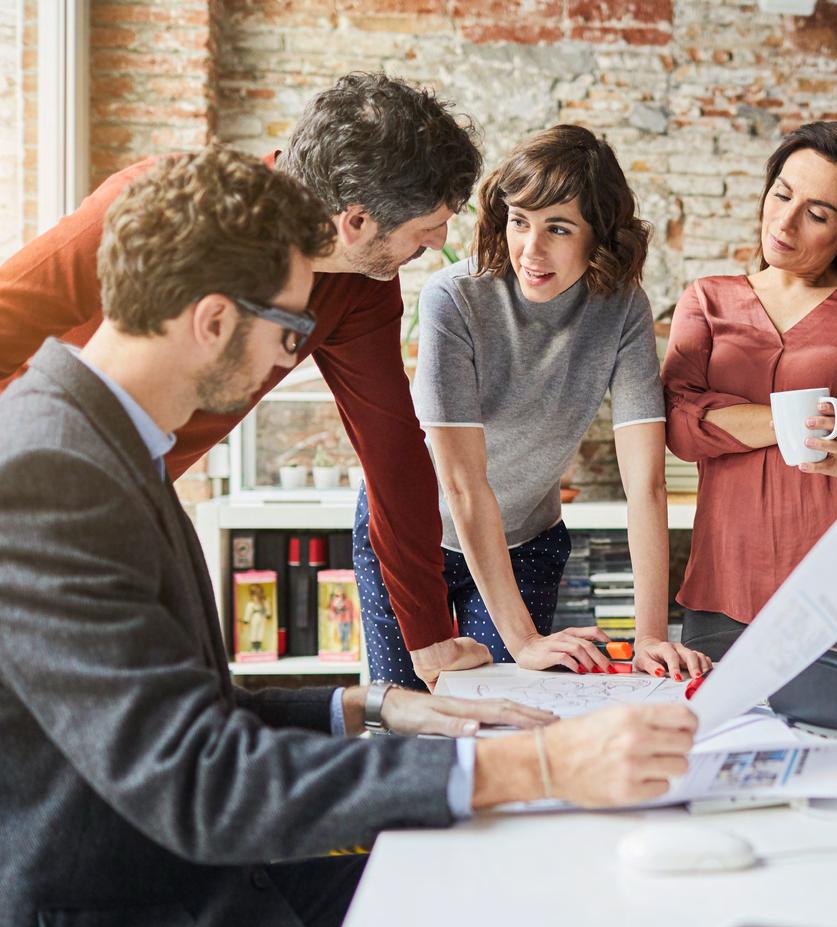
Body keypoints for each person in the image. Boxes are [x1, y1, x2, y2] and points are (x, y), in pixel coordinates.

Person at [0, 146, 698, 927]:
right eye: (292, 328)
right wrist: (536, 765)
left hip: (190, 875)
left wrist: (375, 703)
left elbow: (180, 706)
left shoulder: (108, 442)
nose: (291, 356)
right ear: (216, 320)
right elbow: (198, 777)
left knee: (495, 891)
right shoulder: (47, 473)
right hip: (128, 923)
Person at [0, 71, 492, 688]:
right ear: (357, 221)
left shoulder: (359, 286)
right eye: (429, 225)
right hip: (32, 478)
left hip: (138, 487)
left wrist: (430, 638)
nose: (439, 241)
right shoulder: (162, 207)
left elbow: (392, 451)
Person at [355, 125, 712, 689]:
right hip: (411, 537)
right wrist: (522, 640)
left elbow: (646, 483)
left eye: (559, 228)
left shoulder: (623, 309)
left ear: (600, 236)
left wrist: (650, 637)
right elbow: (463, 485)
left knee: (506, 718)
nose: (531, 250)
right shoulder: (454, 298)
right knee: (405, 716)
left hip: (526, 542)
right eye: (519, 221)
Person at [662, 121, 837, 657]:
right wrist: (809, 425)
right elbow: (680, 425)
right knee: (716, 738)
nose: (785, 221)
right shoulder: (707, 300)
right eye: (781, 193)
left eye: (818, 214)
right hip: (725, 584)